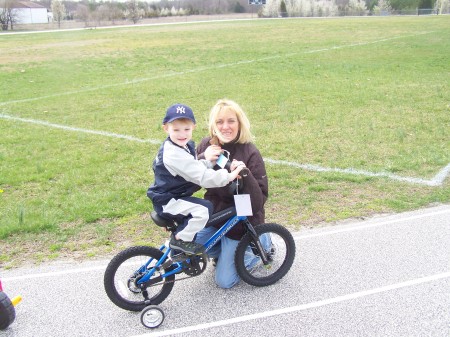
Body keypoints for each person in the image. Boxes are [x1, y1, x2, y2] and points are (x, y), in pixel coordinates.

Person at [147, 103, 246, 255]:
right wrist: (229, 176)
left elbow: (192, 167)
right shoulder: (173, 153)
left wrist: (209, 162)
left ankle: (181, 243)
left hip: (170, 197)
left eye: (186, 129)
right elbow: (203, 178)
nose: (182, 134)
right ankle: (180, 240)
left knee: (201, 208)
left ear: (193, 127)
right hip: (168, 201)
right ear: (166, 128)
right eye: (176, 130)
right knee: (204, 210)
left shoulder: (181, 146)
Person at [195, 99, 269, 288]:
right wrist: (203, 158)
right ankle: (225, 252)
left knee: (224, 281)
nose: (225, 127)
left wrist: (246, 174)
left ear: (239, 123)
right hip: (216, 215)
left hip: (241, 221)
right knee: (190, 244)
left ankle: (262, 243)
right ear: (213, 125)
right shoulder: (207, 146)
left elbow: (258, 202)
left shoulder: (250, 152)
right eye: (220, 122)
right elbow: (190, 179)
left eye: (231, 121)